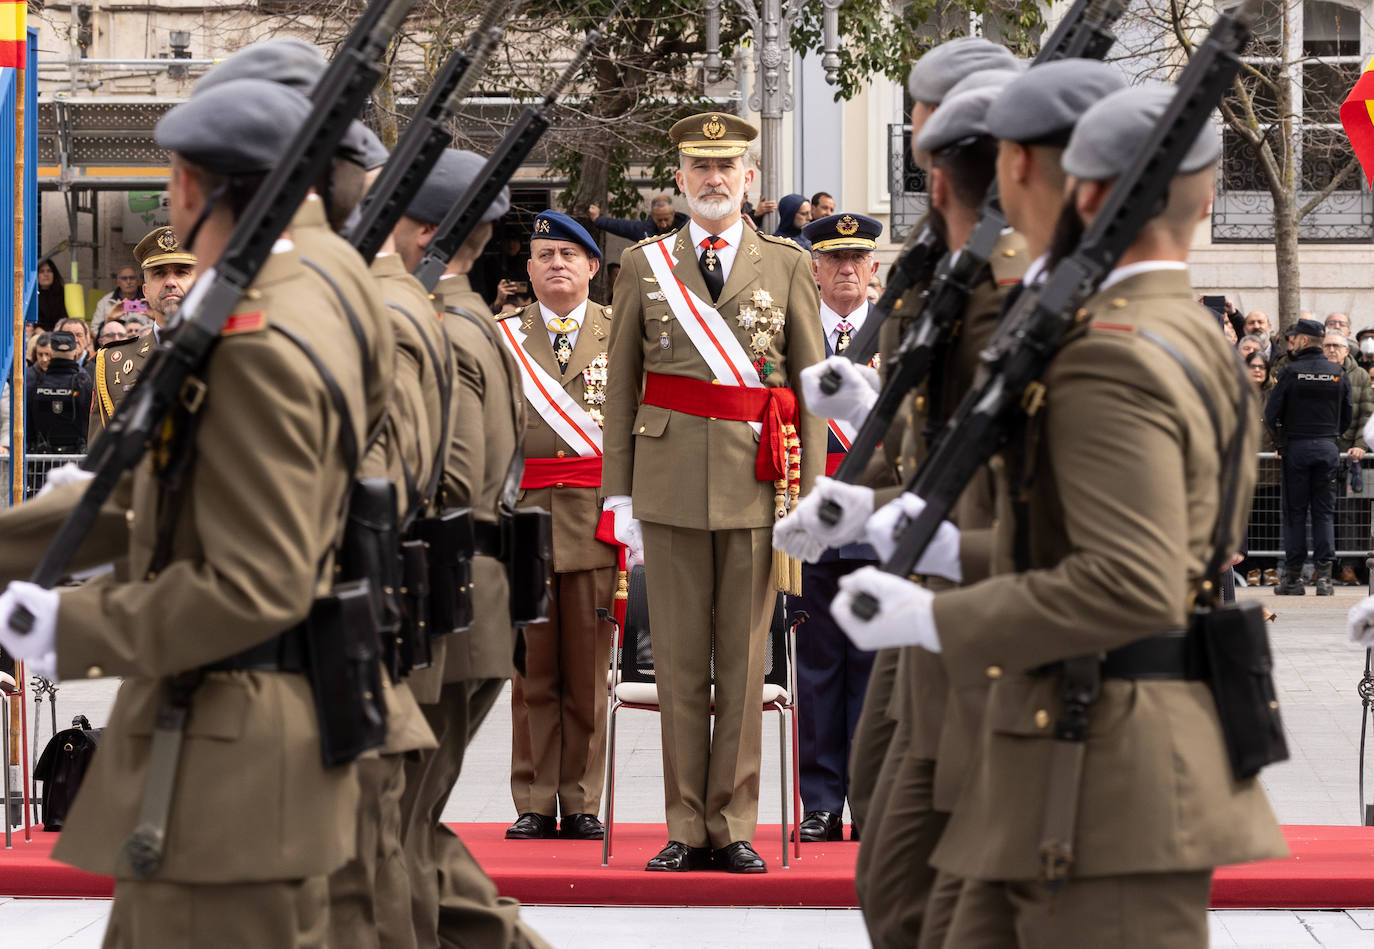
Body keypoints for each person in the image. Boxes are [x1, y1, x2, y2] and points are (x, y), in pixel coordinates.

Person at [832, 82, 1287, 948]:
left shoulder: (1110, 356)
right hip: (1073, 742)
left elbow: (1131, 580)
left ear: (1076, 190)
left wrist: (937, 614)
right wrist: (921, 538)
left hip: (1110, 763)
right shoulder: (1179, 332)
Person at [0, 76, 373, 949]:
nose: (169, 202)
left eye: (173, 184)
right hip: (236, 744)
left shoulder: (262, 338)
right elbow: (163, 488)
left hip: (228, 763)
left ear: (202, 193)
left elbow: (257, 579)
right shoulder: (309, 297)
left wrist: (70, 625)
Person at [602, 111, 825, 874]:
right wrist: (619, 495)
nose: (713, 178)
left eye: (726, 166)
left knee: (742, 665)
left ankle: (731, 824)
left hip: (759, 487)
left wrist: (813, 500)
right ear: (679, 180)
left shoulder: (789, 264)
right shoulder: (643, 264)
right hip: (665, 486)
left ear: (749, 179)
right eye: (700, 167)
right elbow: (621, 389)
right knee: (677, 665)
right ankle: (682, 821)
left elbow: (812, 389)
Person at [389, 148, 549, 949]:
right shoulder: (473, 317)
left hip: (441, 605)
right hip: (474, 598)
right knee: (407, 828)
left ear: (421, 231)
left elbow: (446, 480)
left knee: (390, 833)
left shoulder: (442, 329)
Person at [498, 210, 618, 843]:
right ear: (529, 269)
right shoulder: (502, 336)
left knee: (588, 676)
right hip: (525, 520)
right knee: (532, 673)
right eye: (544, 255)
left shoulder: (622, 331)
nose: (557, 265)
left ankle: (582, 798)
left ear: (593, 267)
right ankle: (535, 798)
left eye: (569, 256)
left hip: (596, 521)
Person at [784, 211, 890, 845]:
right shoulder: (795, 335)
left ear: (873, 269)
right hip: (814, 525)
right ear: (815, 269)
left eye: (858, 260)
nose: (846, 270)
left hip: (880, 527)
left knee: (878, 673)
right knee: (819, 669)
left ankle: (874, 799)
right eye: (834, 260)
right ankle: (821, 801)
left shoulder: (897, 334)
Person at [1265, 317, 1352, 596]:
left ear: (1303, 341)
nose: (1291, 342)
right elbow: (1347, 415)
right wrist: (1330, 435)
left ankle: (1293, 579)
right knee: (1324, 514)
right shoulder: (1338, 373)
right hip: (1328, 448)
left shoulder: (1291, 372)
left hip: (1298, 449)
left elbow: (1270, 413)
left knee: (1295, 514)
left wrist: (1281, 440)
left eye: (1293, 338)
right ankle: (1325, 579)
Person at [88, 226, 197, 443]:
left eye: (181, 272)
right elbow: (99, 454)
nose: (170, 282)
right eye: (159, 273)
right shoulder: (112, 364)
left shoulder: (226, 348)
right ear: (145, 291)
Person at [24, 330, 91, 455]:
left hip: (42, 457)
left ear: (52, 353)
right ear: (75, 352)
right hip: (76, 457)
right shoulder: (84, 381)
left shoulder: (34, 380)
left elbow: (27, 421)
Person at [587, 195, 687, 242]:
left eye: (666, 219)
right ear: (653, 216)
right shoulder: (645, 231)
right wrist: (598, 219)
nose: (663, 224)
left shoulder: (689, 228)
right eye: (659, 220)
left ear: (673, 214)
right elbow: (621, 226)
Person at [90, 266, 145, 331]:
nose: (128, 281)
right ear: (118, 282)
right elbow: (94, 329)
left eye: (132, 278)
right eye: (124, 278)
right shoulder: (105, 302)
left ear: (138, 281)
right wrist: (109, 321)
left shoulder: (147, 300)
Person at [35, 259, 70, 331]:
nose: (46, 274)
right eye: (42, 271)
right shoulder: (32, 296)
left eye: (49, 271)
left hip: (58, 332)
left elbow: (63, 317)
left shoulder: (61, 293)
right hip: (37, 333)